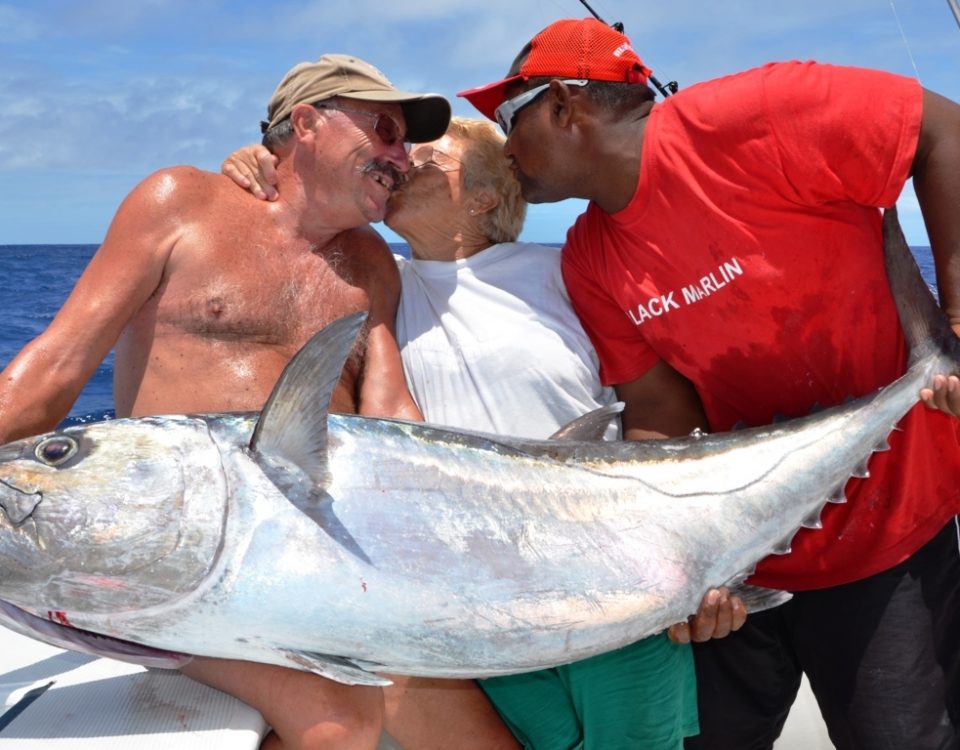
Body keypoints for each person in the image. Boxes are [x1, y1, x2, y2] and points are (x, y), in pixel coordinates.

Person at [458, 16, 960, 750]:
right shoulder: (589, 257)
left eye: (509, 119)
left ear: (565, 106)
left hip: (891, 538)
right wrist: (689, 567)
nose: (506, 149)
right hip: (742, 564)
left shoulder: (759, 113)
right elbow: (662, 413)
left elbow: (943, 132)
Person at [224, 114, 746, 749]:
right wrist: (263, 167)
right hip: (482, 608)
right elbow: (295, 223)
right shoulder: (377, 279)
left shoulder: (564, 272)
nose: (400, 167)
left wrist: (697, 557)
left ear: (485, 197)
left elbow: (662, 405)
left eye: (426, 162)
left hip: (614, 586)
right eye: (400, 159)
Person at [0, 52, 465, 750]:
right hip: (175, 566)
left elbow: (392, 412)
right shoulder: (178, 202)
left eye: (406, 143)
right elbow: (53, 373)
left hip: (312, 566)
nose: (402, 157)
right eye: (387, 131)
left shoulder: (372, 263)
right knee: (341, 720)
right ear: (307, 122)